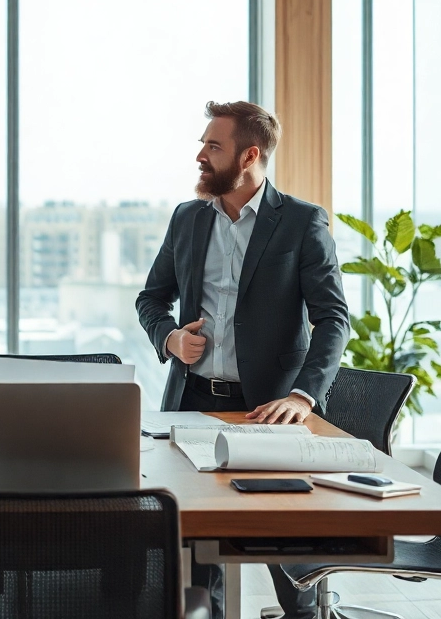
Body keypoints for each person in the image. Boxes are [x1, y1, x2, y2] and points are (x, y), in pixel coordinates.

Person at [136, 100, 350, 619]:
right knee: (196, 556)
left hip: (268, 411)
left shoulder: (300, 221)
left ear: (249, 154)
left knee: (287, 558)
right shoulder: (188, 218)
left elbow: (333, 318)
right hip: (191, 405)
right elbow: (151, 299)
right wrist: (169, 339)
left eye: (213, 146)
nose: (200, 156)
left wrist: (302, 397)